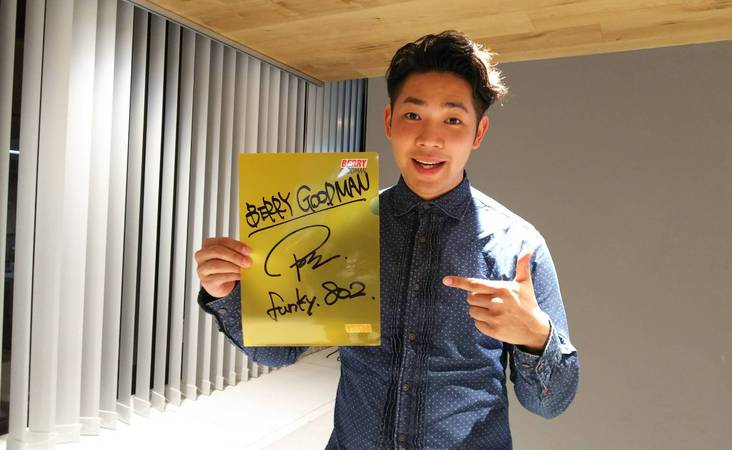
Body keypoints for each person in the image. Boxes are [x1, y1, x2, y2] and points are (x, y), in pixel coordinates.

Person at [195, 30, 579, 449]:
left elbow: (549, 403)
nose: (429, 138)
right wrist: (227, 293)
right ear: (389, 121)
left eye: (452, 119)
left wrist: (537, 337)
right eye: (413, 115)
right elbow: (279, 351)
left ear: (478, 132)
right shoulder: (342, 228)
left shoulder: (517, 246)